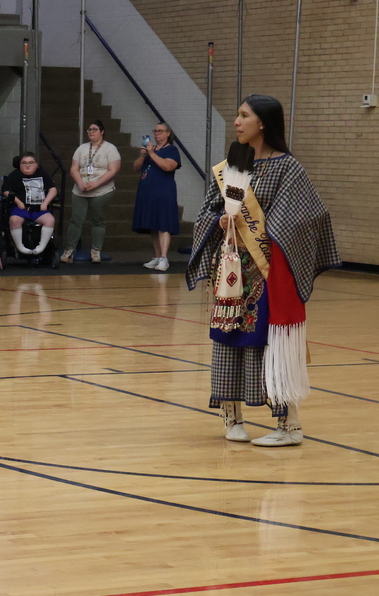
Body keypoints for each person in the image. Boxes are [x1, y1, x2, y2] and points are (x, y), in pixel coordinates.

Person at [186, 94, 340, 447]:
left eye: (244, 116)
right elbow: (206, 213)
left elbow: (309, 214)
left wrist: (265, 231)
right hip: (231, 270)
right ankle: (231, 416)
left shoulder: (288, 168)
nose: (237, 122)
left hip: (269, 270)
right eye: (237, 115)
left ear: (263, 124)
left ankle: (289, 424)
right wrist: (220, 219)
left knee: (271, 343)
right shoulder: (231, 166)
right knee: (227, 338)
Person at [63, 119, 120, 263]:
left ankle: (96, 251)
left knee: (97, 220)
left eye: (95, 129)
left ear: (102, 132)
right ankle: (69, 250)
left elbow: (113, 170)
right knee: (76, 219)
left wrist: (96, 183)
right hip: (81, 189)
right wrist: (80, 182)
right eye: (89, 130)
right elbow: (74, 168)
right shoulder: (82, 148)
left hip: (102, 190)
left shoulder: (110, 149)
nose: (91, 132)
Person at [131, 122, 180, 271]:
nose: (156, 133)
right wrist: (143, 155)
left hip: (164, 192)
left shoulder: (171, 150)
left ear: (168, 133)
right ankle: (157, 256)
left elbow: (168, 166)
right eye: (155, 131)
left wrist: (152, 154)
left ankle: (164, 258)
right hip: (148, 192)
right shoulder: (150, 151)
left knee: (163, 224)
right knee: (153, 225)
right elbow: (136, 167)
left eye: (160, 131)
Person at [3, 152, 56, 256]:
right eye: (24, 163)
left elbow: (53, 190)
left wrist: (45, 203)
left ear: (36, 164)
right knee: (14, 220)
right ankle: (20, 247)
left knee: (50, 220)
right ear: (19, 165)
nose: (27, 165)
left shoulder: (43, 174)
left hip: (39, 207)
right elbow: (6, 191)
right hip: (21, 207)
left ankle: (41, 247)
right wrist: (18, 202)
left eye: (31, 162)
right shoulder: (14, 175)